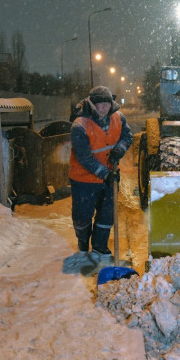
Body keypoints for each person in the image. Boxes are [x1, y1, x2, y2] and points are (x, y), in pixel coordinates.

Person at [68, 86, 132, 262]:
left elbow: (127, 136)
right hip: (83, 180)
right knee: (82, 217)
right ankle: (83, 242)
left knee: (106, 215)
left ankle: (99, 246)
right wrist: (105, 173)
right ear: (91, 104)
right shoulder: (80, 125)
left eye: (106, 104)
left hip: (110, 177)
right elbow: (84, 157)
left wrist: (120, 149)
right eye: (99, 104)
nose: (103, 108)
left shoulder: (118, 117)